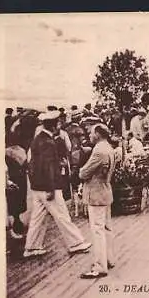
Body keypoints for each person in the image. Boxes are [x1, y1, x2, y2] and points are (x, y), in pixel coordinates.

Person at [23, 111, 92, 258]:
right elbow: (47, 166)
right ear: (54, 125)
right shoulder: (48, 143)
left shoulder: (37, 140)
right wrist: (50, 188)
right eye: (58, 123)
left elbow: (32, 164)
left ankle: (32, 247)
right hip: (49, 186)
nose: (60, 125)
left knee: (37, 218)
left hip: (37, 186)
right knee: (62, 215)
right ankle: (76, 243)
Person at [79, 124, 116, 279]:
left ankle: (99, 267)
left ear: (99, 134)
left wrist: (81, 171)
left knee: (97, 230)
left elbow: (84, 173)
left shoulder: (99, 151)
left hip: (96, 194)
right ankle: (108, 259)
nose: (89, 136)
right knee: (106, 228)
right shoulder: (108, 148)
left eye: (92, 133)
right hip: (105, 191)